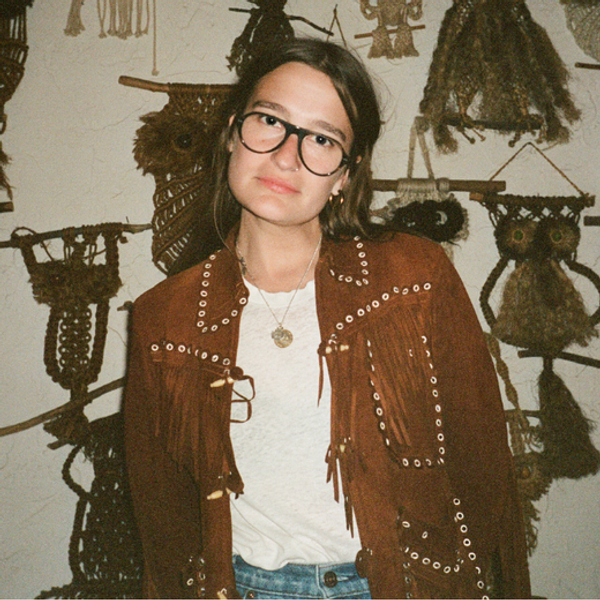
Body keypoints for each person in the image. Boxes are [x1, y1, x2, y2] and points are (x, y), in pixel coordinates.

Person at [123, 38, 531, 599]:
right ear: (232, 134)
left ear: (344, 174)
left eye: (321, 139)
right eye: (270, 120)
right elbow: (163, 517)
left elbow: (482, 467)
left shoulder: (414, 277)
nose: (286, 156)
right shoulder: (164, 317)